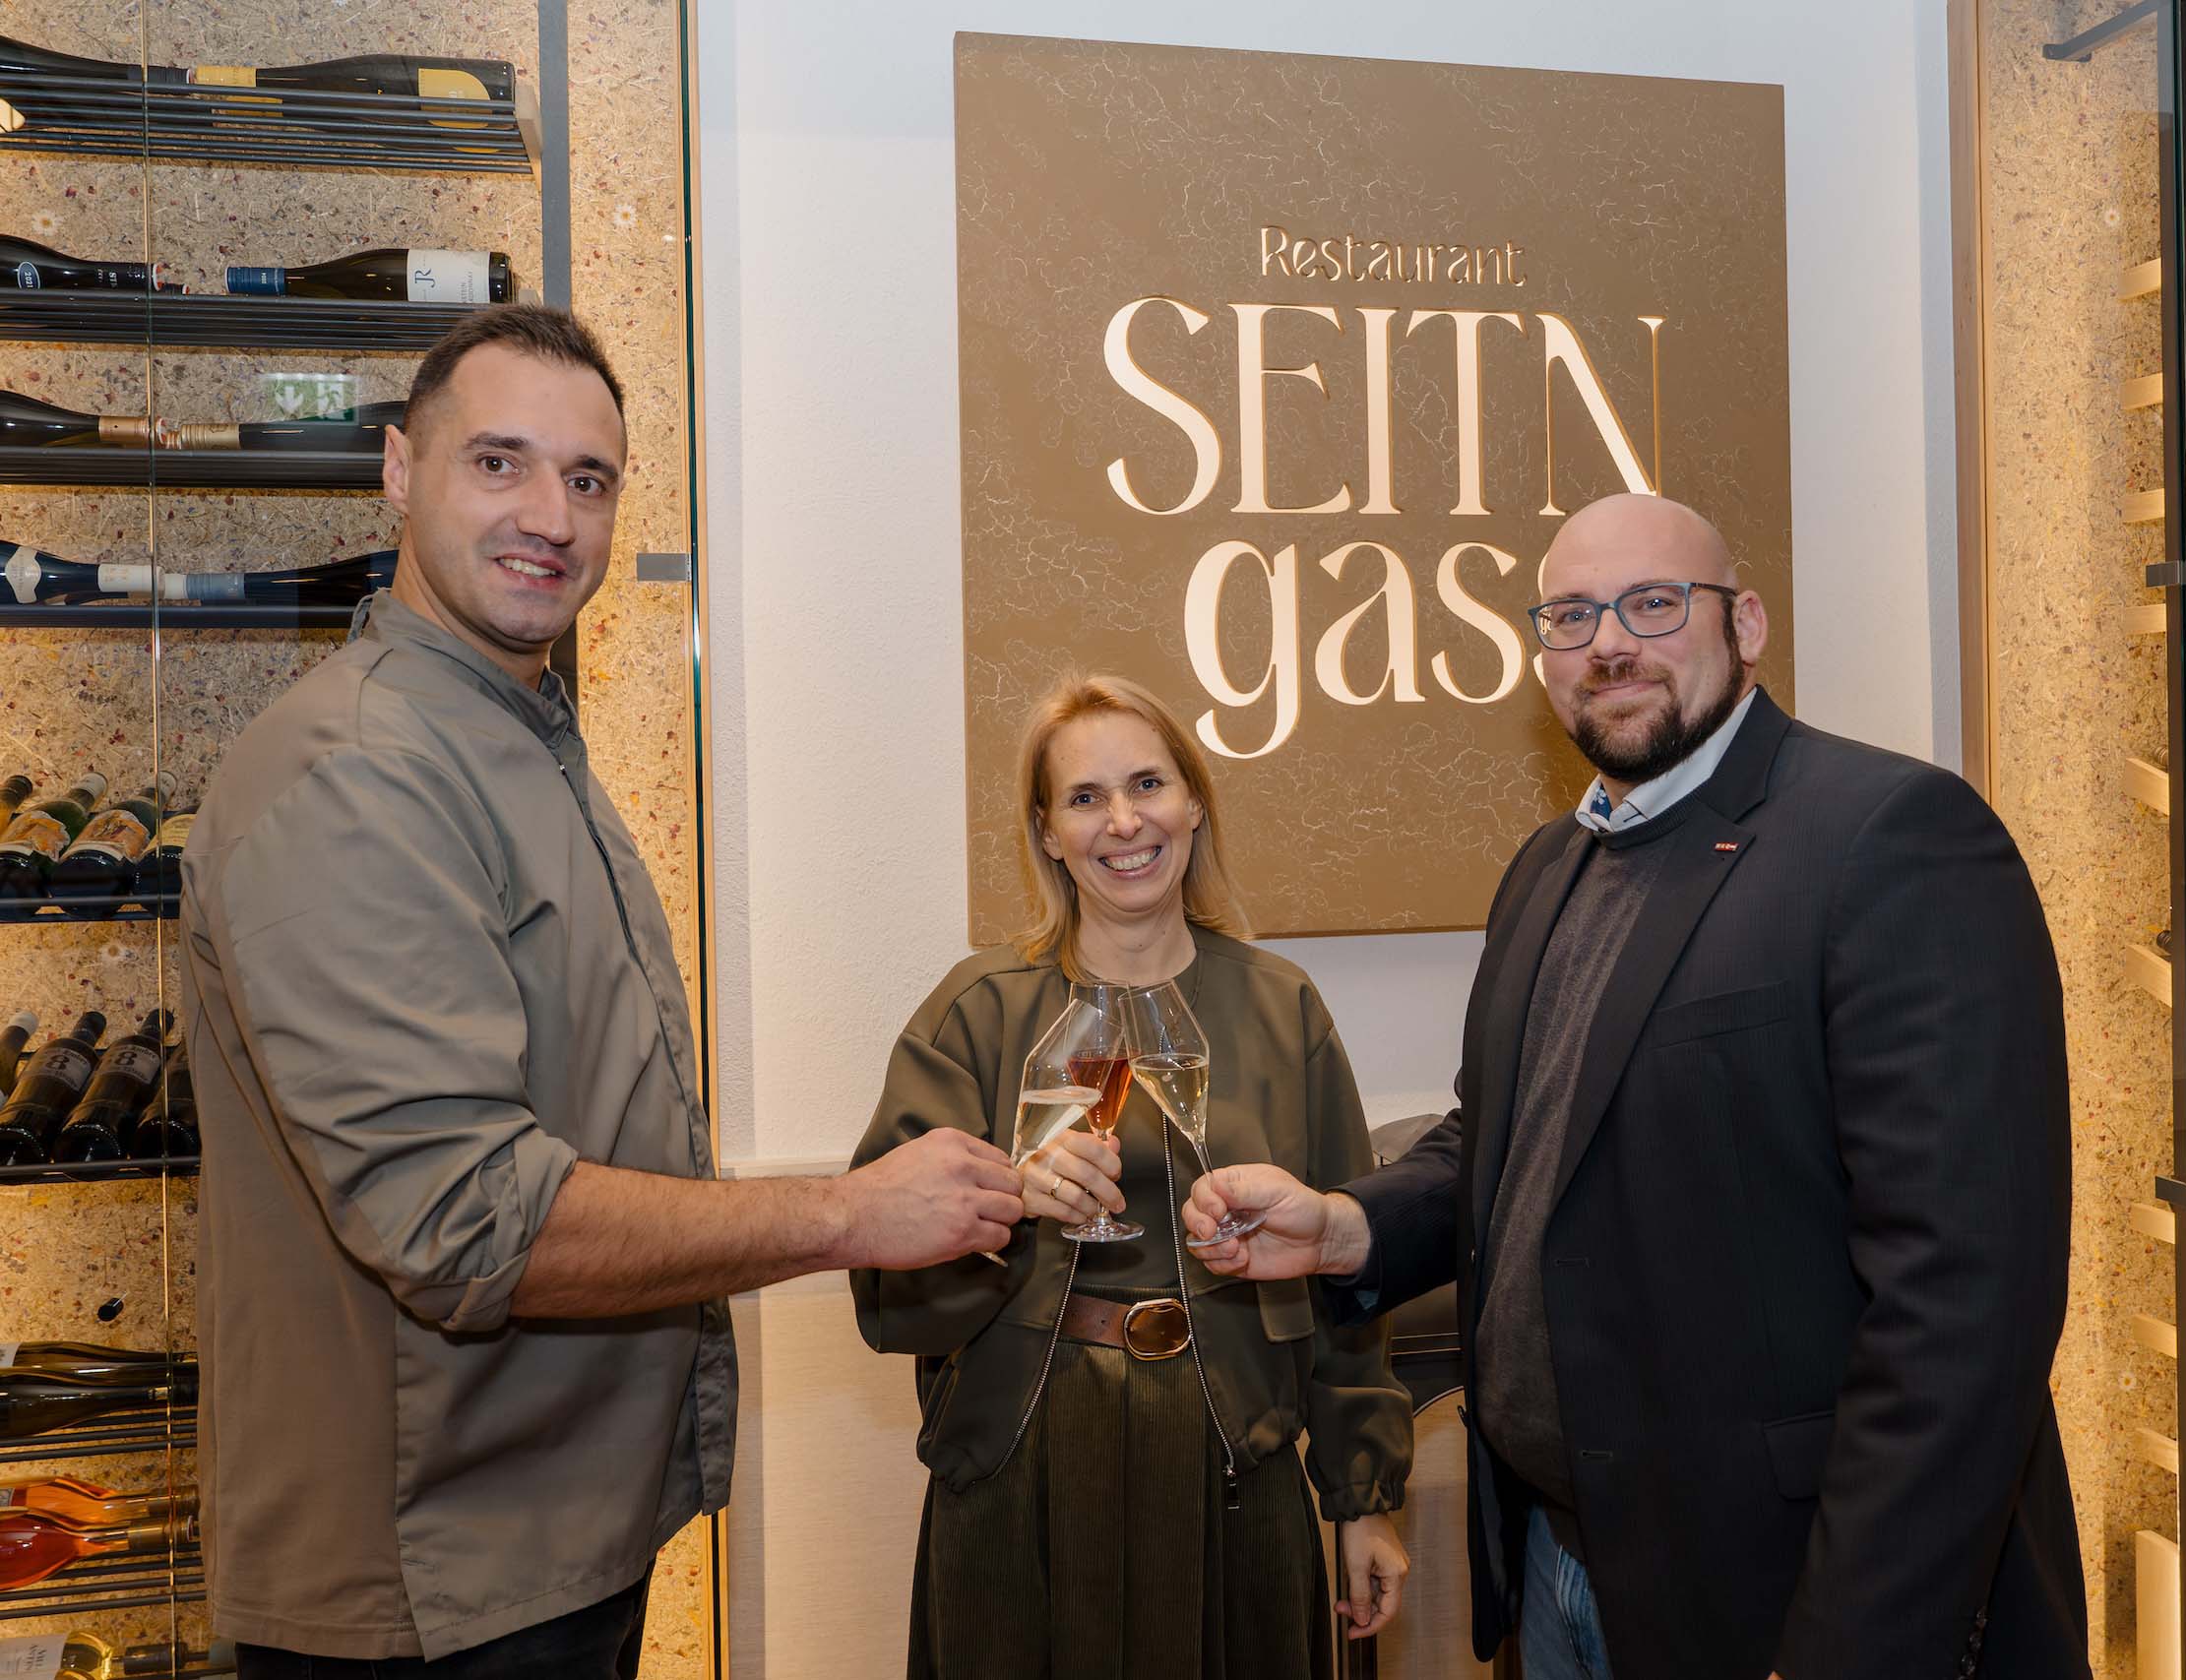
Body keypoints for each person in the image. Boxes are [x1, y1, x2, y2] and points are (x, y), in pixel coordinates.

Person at [181, 305, 1024, 1677]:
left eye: (589, 479)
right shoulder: (356, 772)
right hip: (432, 1582)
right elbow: (464, 1217)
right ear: (399, 469)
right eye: (499, 462)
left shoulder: (514, 736)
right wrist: (850, 1214)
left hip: (533, 1548)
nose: (551, 516)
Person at [1185, 494, 2088, 1680]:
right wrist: (1350, 1225)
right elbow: (1508, 1137)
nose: (1607, 642)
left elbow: (1965, 1305)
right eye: (1568, 616)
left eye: (1652, 603)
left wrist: (1848, 1648)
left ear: (1746, 623)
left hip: (1782, 1592)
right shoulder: (1551, 866)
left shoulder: (1889, 836)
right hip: (1559, 1567)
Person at [851, 672, 1414, 1679]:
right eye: (1084, 797)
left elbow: (1346, 1277)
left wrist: (1361, 1498)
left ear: (1194, 802)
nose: (1124, 822)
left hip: (1233, 1455)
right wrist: (1003, 1206)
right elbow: (888, 1293)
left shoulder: (1282, 1006)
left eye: (1148, 783)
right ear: (1047, 832)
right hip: (1023, 1459)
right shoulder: (975, 1012)